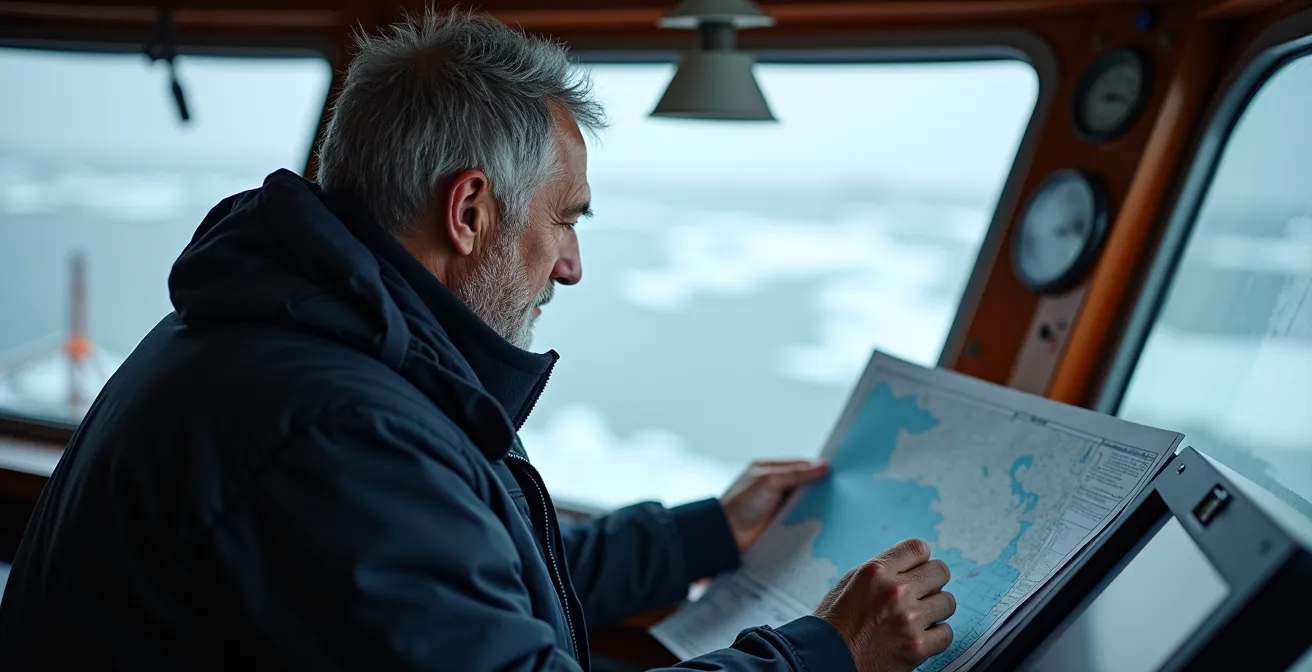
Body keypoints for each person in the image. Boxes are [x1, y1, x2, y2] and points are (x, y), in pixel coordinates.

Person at [0, 10, 955, 672]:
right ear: (469, 210)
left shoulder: (298, 335)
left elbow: (469, 579)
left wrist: (703, 532)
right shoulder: (330, 428)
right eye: (566, 220)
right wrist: (828, 656)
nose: (571, 266)